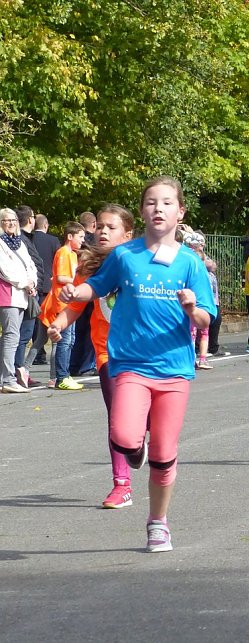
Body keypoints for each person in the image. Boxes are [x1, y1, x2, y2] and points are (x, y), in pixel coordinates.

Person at [56, 176, 216, 552]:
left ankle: (158, 522)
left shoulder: (190, 263)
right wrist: (73, 291)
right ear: (142, 211)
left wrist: (193, 308)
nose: (157, 208)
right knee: (125, 437)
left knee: (163, 455)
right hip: (129, 363)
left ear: (180, 212)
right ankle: (134, 450)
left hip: (174, 369)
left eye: (165, 203)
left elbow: (207, 318)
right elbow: (95, 286)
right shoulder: (125, 256)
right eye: (150, 202)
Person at [48, 204, 136, 507]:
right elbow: (76, 305)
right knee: (117, 419)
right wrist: (58, 324)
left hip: (141, 351)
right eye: (99, 226)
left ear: (127, 234)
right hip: (107, 352)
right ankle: (121, 484)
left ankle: (138, 438)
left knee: (136, 420)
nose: (102, 231)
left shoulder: (140, 262)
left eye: (110, 227)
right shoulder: (88, 266)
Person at [39, 221, 86, 389]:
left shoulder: (73, 254)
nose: (83, 240)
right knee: (64, 341)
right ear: (70, 236)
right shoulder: (63, 253)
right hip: (61, 302)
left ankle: (65, 374)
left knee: (70, 340)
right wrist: (79, 281)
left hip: (70, 301)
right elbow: (60, 277)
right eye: (80, 237)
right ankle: (61, 377)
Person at [0, 208, 38, 393]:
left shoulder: (19, 242)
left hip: (22, 295)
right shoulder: (0, 243)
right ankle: (7, 379)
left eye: (14, 220)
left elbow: (30, 264)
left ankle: (7, 376)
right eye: (7, 220)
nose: (11, 223)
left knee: (12, 336)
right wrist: (25, 282)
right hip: (8, 295)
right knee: (11, 336)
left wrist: (32, 281)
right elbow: (6, 270)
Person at [13, 206, 45, 388]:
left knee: (24, 334)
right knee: (22, 335)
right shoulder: (21, 240)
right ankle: (17, 372)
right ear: (30, 219)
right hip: (27, 293)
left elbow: (34, 265)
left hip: (32, 291)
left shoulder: (26, 239)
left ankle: (20, 371)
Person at [28, 213, 60, 366]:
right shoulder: (53, 241)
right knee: (51, 324)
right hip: (49, 287)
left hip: (35, 285)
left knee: (35, 322)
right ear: (46, 225)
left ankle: (36, 355)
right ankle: (48, 363)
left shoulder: (30, 239)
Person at [69, 211, 98, 376]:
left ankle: (74, 365)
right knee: (89, 330)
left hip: (76, 287)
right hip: (90, 288)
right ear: (94, 225)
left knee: (78, 330)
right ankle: (86, 365)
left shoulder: (74, 243)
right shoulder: (95, 241)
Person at [182, 231, 214, 368]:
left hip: (200, 307)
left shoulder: (189, 261)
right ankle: (199, 358)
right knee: (197, 333)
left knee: (196, 333)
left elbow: (213, 264)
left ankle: (198, 358)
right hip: (195, 306)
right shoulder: (200, 264)